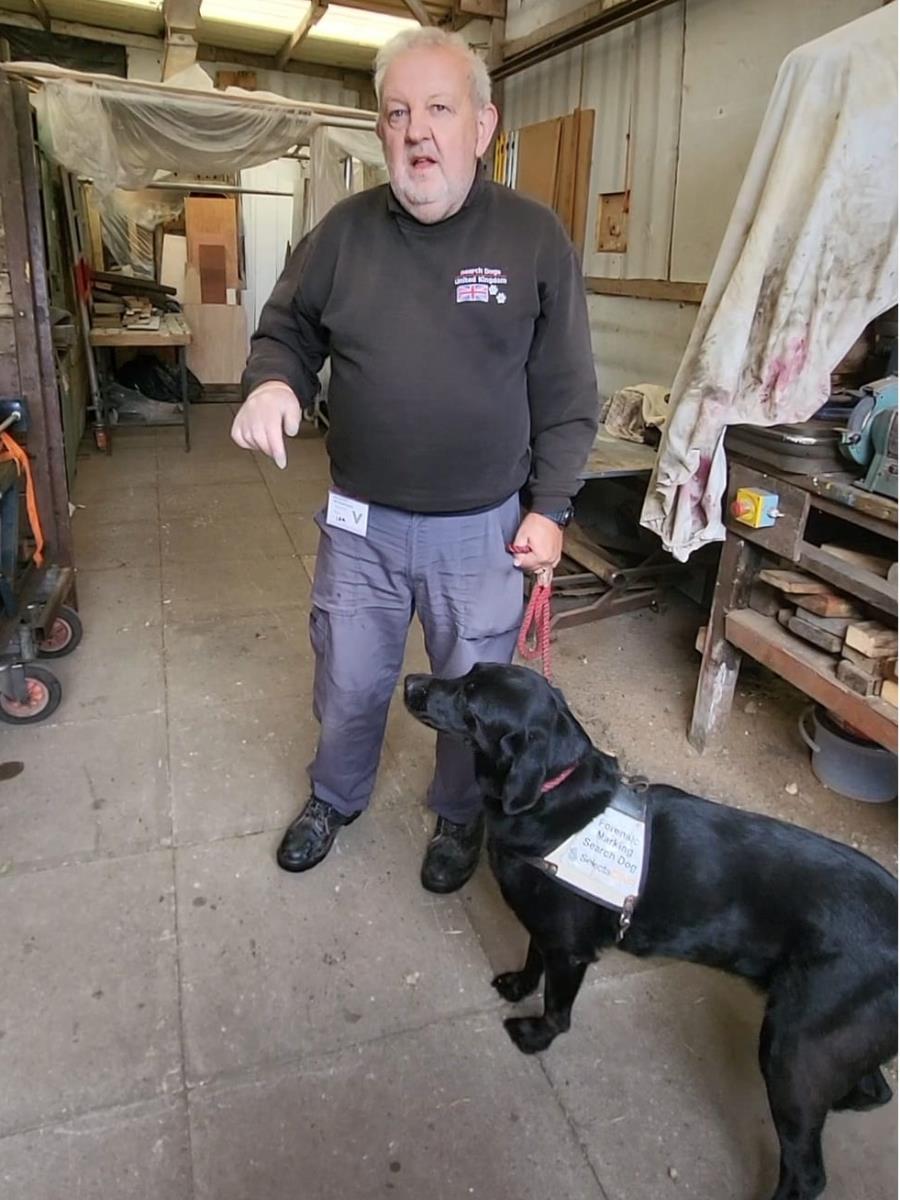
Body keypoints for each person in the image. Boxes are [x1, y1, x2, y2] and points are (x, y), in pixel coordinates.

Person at [231, 27, 598, 893]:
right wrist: (271, 384)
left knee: (473, 697)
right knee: (351, 678)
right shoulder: (344, 233)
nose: (417, 131)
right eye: (398, 113)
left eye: (439, 108)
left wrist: (550, 507)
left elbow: (569, 389)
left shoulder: (532, 237)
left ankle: (459, 815)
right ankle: (336, 795)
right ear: (381, 130)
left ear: (482, 124)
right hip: (361, 525)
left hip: (484, 534)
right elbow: (286, 329)